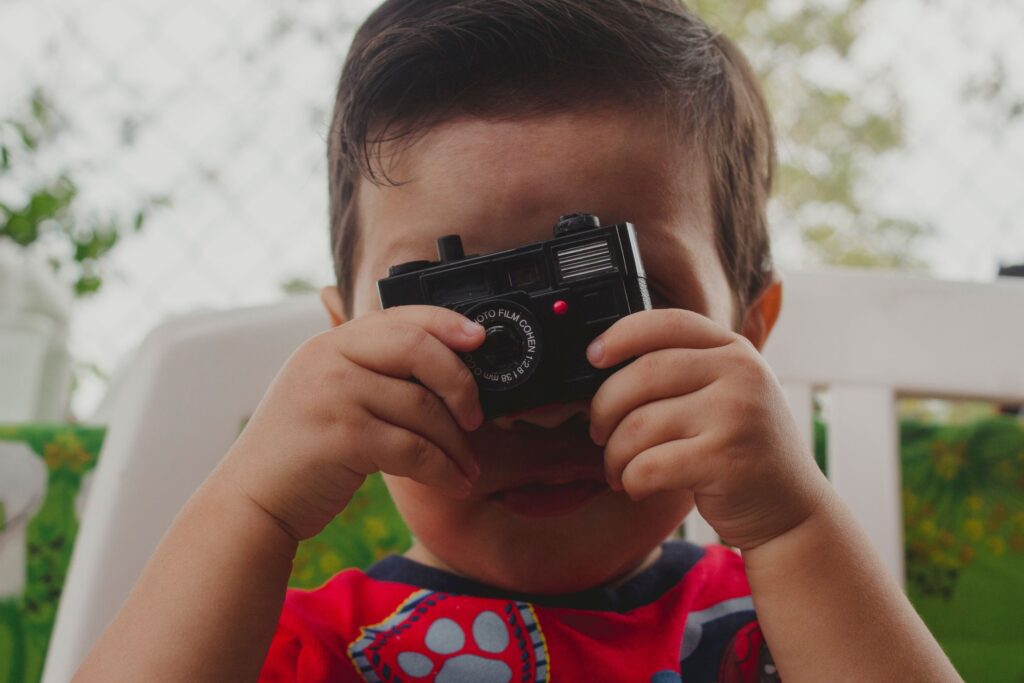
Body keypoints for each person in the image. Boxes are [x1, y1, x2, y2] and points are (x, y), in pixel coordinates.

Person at [74, 1, 963, 681]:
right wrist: (252, 507)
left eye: (617, 301)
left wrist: (795, 523)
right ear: (348, 344)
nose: (541, 404)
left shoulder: (788, 626)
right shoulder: (309, 645)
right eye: (467, 323)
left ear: (749, 337)